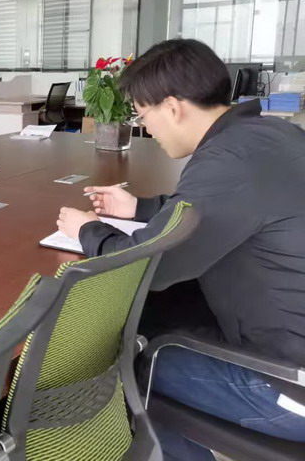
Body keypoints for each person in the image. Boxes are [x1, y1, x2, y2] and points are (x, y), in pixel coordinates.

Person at [55, 39, 305, 460]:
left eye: (142, 114)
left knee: (122, 362)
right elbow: (220, 210)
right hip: (287, 344)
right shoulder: (271, 135)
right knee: (158, 319)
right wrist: (141, 208)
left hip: (287, 386)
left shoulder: (226, 160)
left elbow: (147, 267)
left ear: (172, 107)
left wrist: (89, 231)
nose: (146, 127)